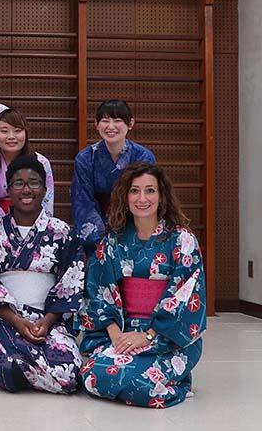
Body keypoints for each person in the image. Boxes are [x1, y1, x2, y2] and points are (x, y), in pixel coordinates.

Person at [78, 163, 206, 408]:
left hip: (165, 337)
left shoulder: (182, 239)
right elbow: (97, 292)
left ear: (162, 196)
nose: (142, 198)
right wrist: (117, 337)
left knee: (139, 382)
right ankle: (165, 380)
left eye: (150, 191)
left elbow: (187, 296)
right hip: (123, 331)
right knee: (92, 376)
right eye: (134, 191)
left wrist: (147, 336)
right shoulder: (113, 241)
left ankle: (173, 384)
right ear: (125, 197)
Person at [0, 154, 83, 394]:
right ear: (8, 190)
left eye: (33, 182)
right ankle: (32, 371)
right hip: (6, 319)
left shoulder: (62, 232)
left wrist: (47, 321)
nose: (26, 189)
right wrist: (16, 320)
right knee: (5, 365)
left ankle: (32, 371)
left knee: (69, 374)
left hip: (49, 319)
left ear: (44, 189)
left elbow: (70, 281)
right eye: (18, 183)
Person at [72, 99, 156, 249]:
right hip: (96, 235)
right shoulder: (85, 159)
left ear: (130, 124)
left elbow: (146, 199)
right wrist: (102, 239)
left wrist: (126, 232)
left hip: (133, 227)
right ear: (96, 124)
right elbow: (83, 203)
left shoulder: (143, 157)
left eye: (117, 120)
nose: (110, 127)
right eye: (105, 121)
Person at [0, 109, 54, 248]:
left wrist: (28, 231)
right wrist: (7, 233)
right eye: (5, 131)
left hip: (33, 226)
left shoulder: (42, 163)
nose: (11, 136)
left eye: (17, 131)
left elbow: (46, 201)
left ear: (26, 133)